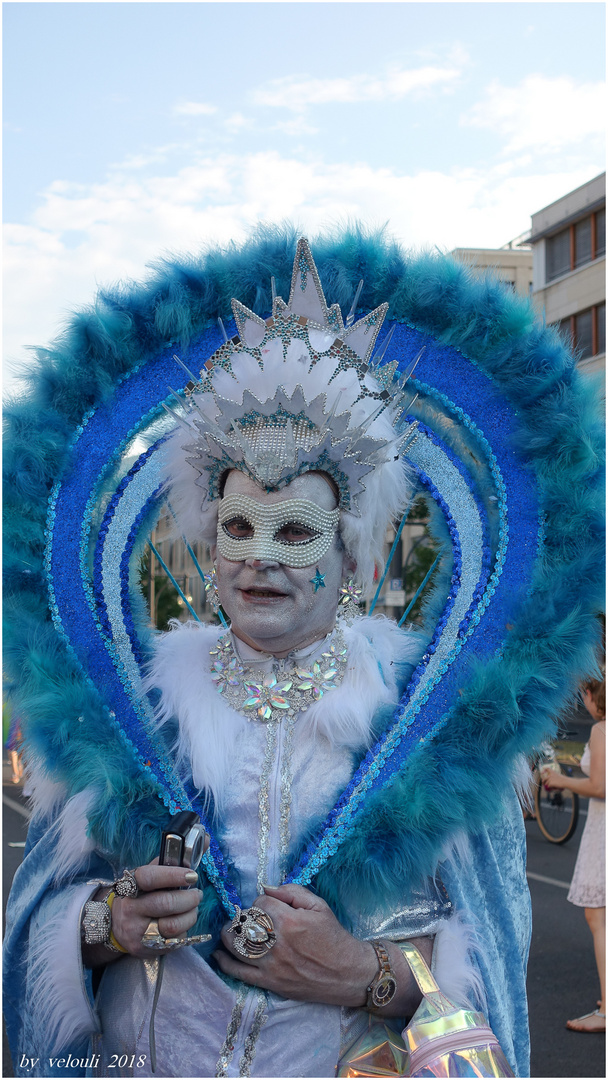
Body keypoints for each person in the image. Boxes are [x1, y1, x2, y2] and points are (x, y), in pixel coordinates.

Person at [3, 231, 604, 1078]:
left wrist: (364, 973)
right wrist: (109, 923)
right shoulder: (135, 706)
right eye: (237, 529)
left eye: (296, 532)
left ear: (354, 559)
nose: (260, 558)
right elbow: (43, 918)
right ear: (209, 551)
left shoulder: (426, 719)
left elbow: (491, 958)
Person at [542, 677, 606, 1033]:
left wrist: (562, 781)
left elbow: (599, 786)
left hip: (603, 829)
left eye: (586, 692)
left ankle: (606, 1011)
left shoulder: (600, 730)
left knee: (597, 916)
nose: (583, 698)